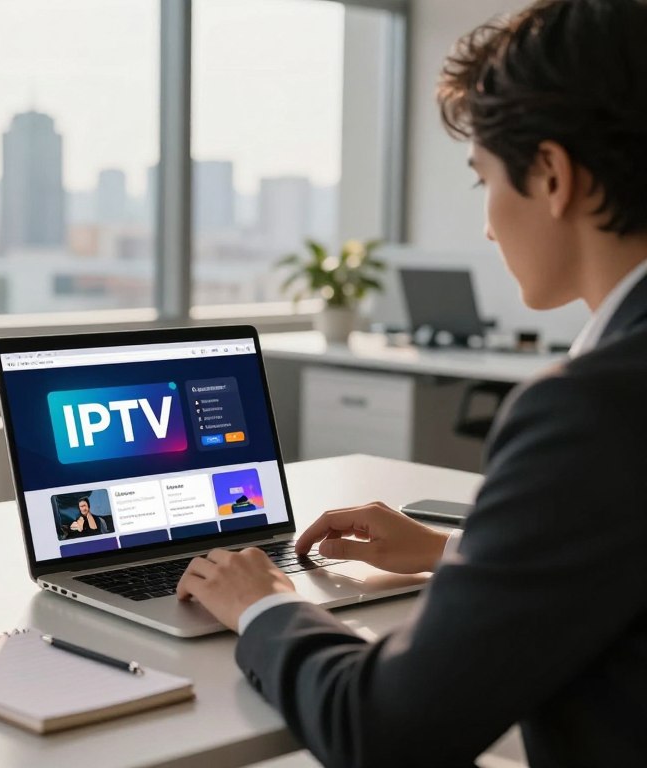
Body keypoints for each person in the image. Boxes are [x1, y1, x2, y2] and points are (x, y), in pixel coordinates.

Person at [177, 1, 647, 765]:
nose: (490, 225)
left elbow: (383, 731)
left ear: (554, 177)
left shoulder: (591, 411)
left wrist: (262, 605)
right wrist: (457, 552)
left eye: (483, 181)